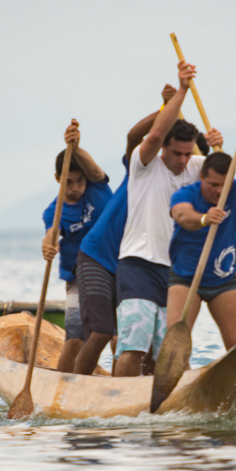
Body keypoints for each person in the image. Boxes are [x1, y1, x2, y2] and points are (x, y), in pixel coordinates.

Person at [113, 59, 223, 377]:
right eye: (177, 153)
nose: (183, 160)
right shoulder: (144, 163)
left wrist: (220, 148)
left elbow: (224, 179)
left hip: (177, 272)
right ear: (163, 148)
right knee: (135, 344)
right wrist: (182, 91)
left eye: (189, 154)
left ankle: (173, 400)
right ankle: (117, 398)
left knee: (172, 352)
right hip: (138, 263)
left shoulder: (196, 166)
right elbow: (154, 133)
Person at [72, 84, 177, 375]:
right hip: (98, 257)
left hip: (132, 266)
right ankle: (74, 387)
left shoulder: (180, 187)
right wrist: (164, 109)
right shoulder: (141, 169)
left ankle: (131, 390)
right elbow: (134, 137)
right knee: (102, 332)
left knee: (130, 338)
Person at [167, 119, 236, 353]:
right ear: (201, 177)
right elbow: (182, 215)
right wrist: (204, 218)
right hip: (186, 278)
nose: (218, 191)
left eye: (223, 185)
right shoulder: (186, 194)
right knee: (176, 349)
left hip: (224, 279)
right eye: (213, 184)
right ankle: (183, 375)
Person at [41, 120, 112, 372]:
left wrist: (76, 146)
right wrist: (48, 246)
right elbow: (52, 233)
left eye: (80, 181)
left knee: (117, 338)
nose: (75, 188)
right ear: (57, 178)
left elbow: (93, 169)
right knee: (74, 340)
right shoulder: (54, 210)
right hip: (77, 278)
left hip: (114, 270)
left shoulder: (97, 188)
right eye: (68, 181)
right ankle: (61, 386)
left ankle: (122, 384)